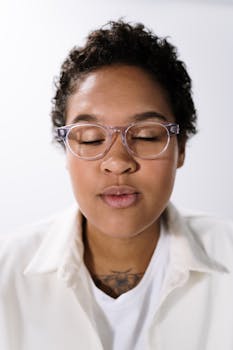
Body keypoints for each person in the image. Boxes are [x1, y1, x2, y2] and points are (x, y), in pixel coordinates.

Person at [0, 20, 233, 350]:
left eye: (146, 135)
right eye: (92, 139)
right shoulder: (5, 272)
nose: (118, 161)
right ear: (66, 152)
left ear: (181, 149)